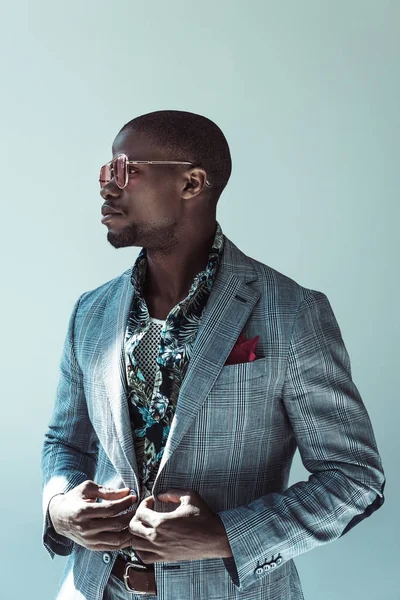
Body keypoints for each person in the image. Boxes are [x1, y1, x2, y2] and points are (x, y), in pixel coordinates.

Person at [41, 109, 386, 600]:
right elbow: (65, 442)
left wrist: (226, 536)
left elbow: (354, 479)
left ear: (192, 182)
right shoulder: (91, 312)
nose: (107, 187)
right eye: (104, 172)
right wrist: (58, 506)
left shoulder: (291, 312)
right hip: (95, 589)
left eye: (125, 170)